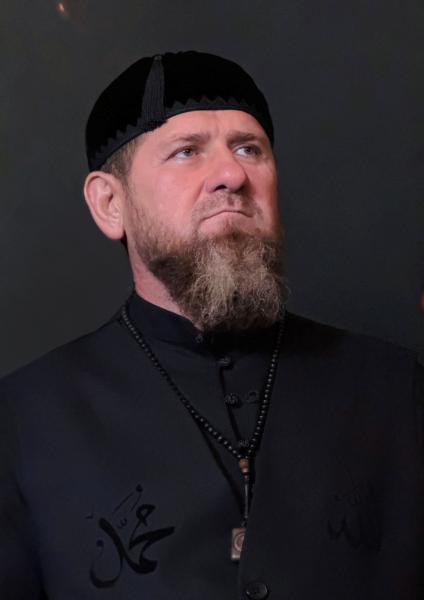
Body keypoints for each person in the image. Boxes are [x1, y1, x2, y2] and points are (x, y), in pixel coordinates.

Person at [0, 50, 423, 600]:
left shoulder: (396, 389)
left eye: (250, 149)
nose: (232, 175)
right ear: (109, 203)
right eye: (186, 151)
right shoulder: (23, 423)